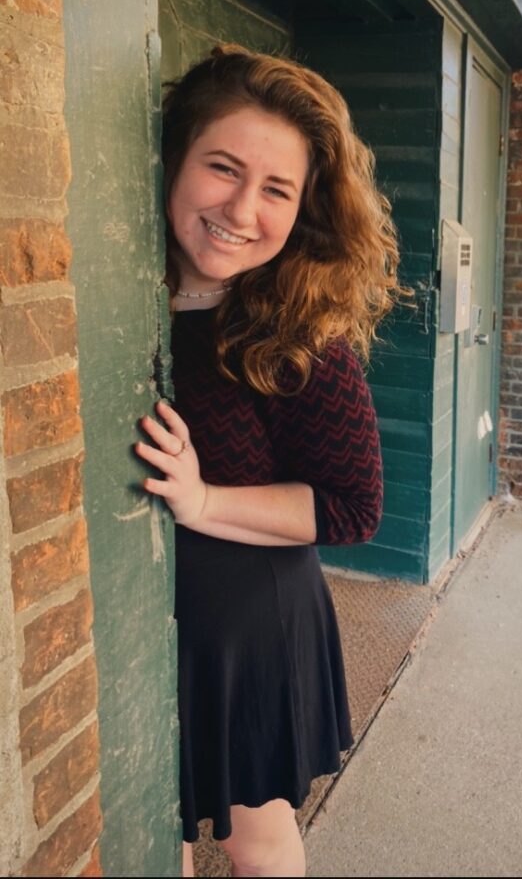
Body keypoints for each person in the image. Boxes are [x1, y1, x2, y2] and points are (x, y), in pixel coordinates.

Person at [134, 45, 405, 877]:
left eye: (277, 190)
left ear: (305, 210)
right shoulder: (123, 287)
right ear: (174, 156)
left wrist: (205, 500)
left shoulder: (298, 335)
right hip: (144, 620)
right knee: (153, 829)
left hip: (250, 624)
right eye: (223, 168)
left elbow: (353, 508)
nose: (243, 209)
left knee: (254, 839)